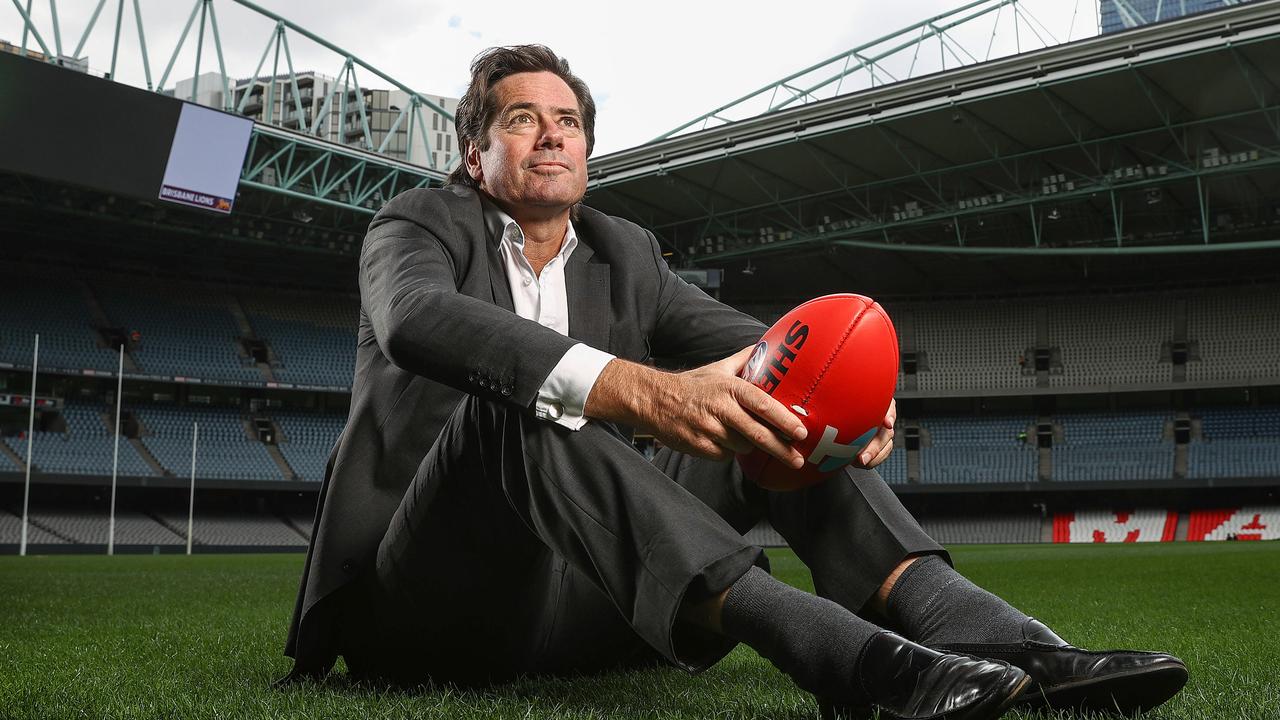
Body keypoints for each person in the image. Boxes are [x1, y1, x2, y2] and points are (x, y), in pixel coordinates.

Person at [283, 45, 1187, 719]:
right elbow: (417, 324)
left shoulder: (623, 250)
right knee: (521, 407)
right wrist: (645, 392)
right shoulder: (416, 224)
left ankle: (1010, 649)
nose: (551, 133)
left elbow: (772, 347)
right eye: (521, 118)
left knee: (774, 406)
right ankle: (853, 662)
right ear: (475, 152)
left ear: (589, 150)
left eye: (568, 121)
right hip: (428, 605)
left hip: (594, 607)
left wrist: (854, 394)